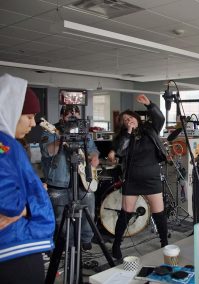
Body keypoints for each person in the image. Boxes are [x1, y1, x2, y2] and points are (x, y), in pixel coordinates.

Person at [0, 74, 55, 284]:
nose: (33, 123)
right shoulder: (5, 145)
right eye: (29, 116)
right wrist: (32, 204)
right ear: (10, 111)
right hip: (15, 248)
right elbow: (10, 203)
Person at [107, 94, 168, 259]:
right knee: (125, 213)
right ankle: (116, 245)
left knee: (159, 213)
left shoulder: (150, 129)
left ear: (136, 118)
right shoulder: (122, 137)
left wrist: (150, 104)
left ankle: (164, 242)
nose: (128, 120)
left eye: (130, 118)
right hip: (132, 179)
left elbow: (160, 118)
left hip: (151, 177)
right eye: (125, 120)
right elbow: (119, 151)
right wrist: (128, 132)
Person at [40, 104, 99, 251]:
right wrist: (62, 138)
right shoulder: (51, 131)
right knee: (61, 218)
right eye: (69, 113)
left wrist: (93, 159)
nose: (73, 115)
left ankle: (86, 240)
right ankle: (70, 244)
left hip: (83, 181)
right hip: (59, 182)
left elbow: (93, 151)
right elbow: (46, 152)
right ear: (61, 116)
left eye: (76, 112)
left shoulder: (84, 132)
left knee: (89, 212)